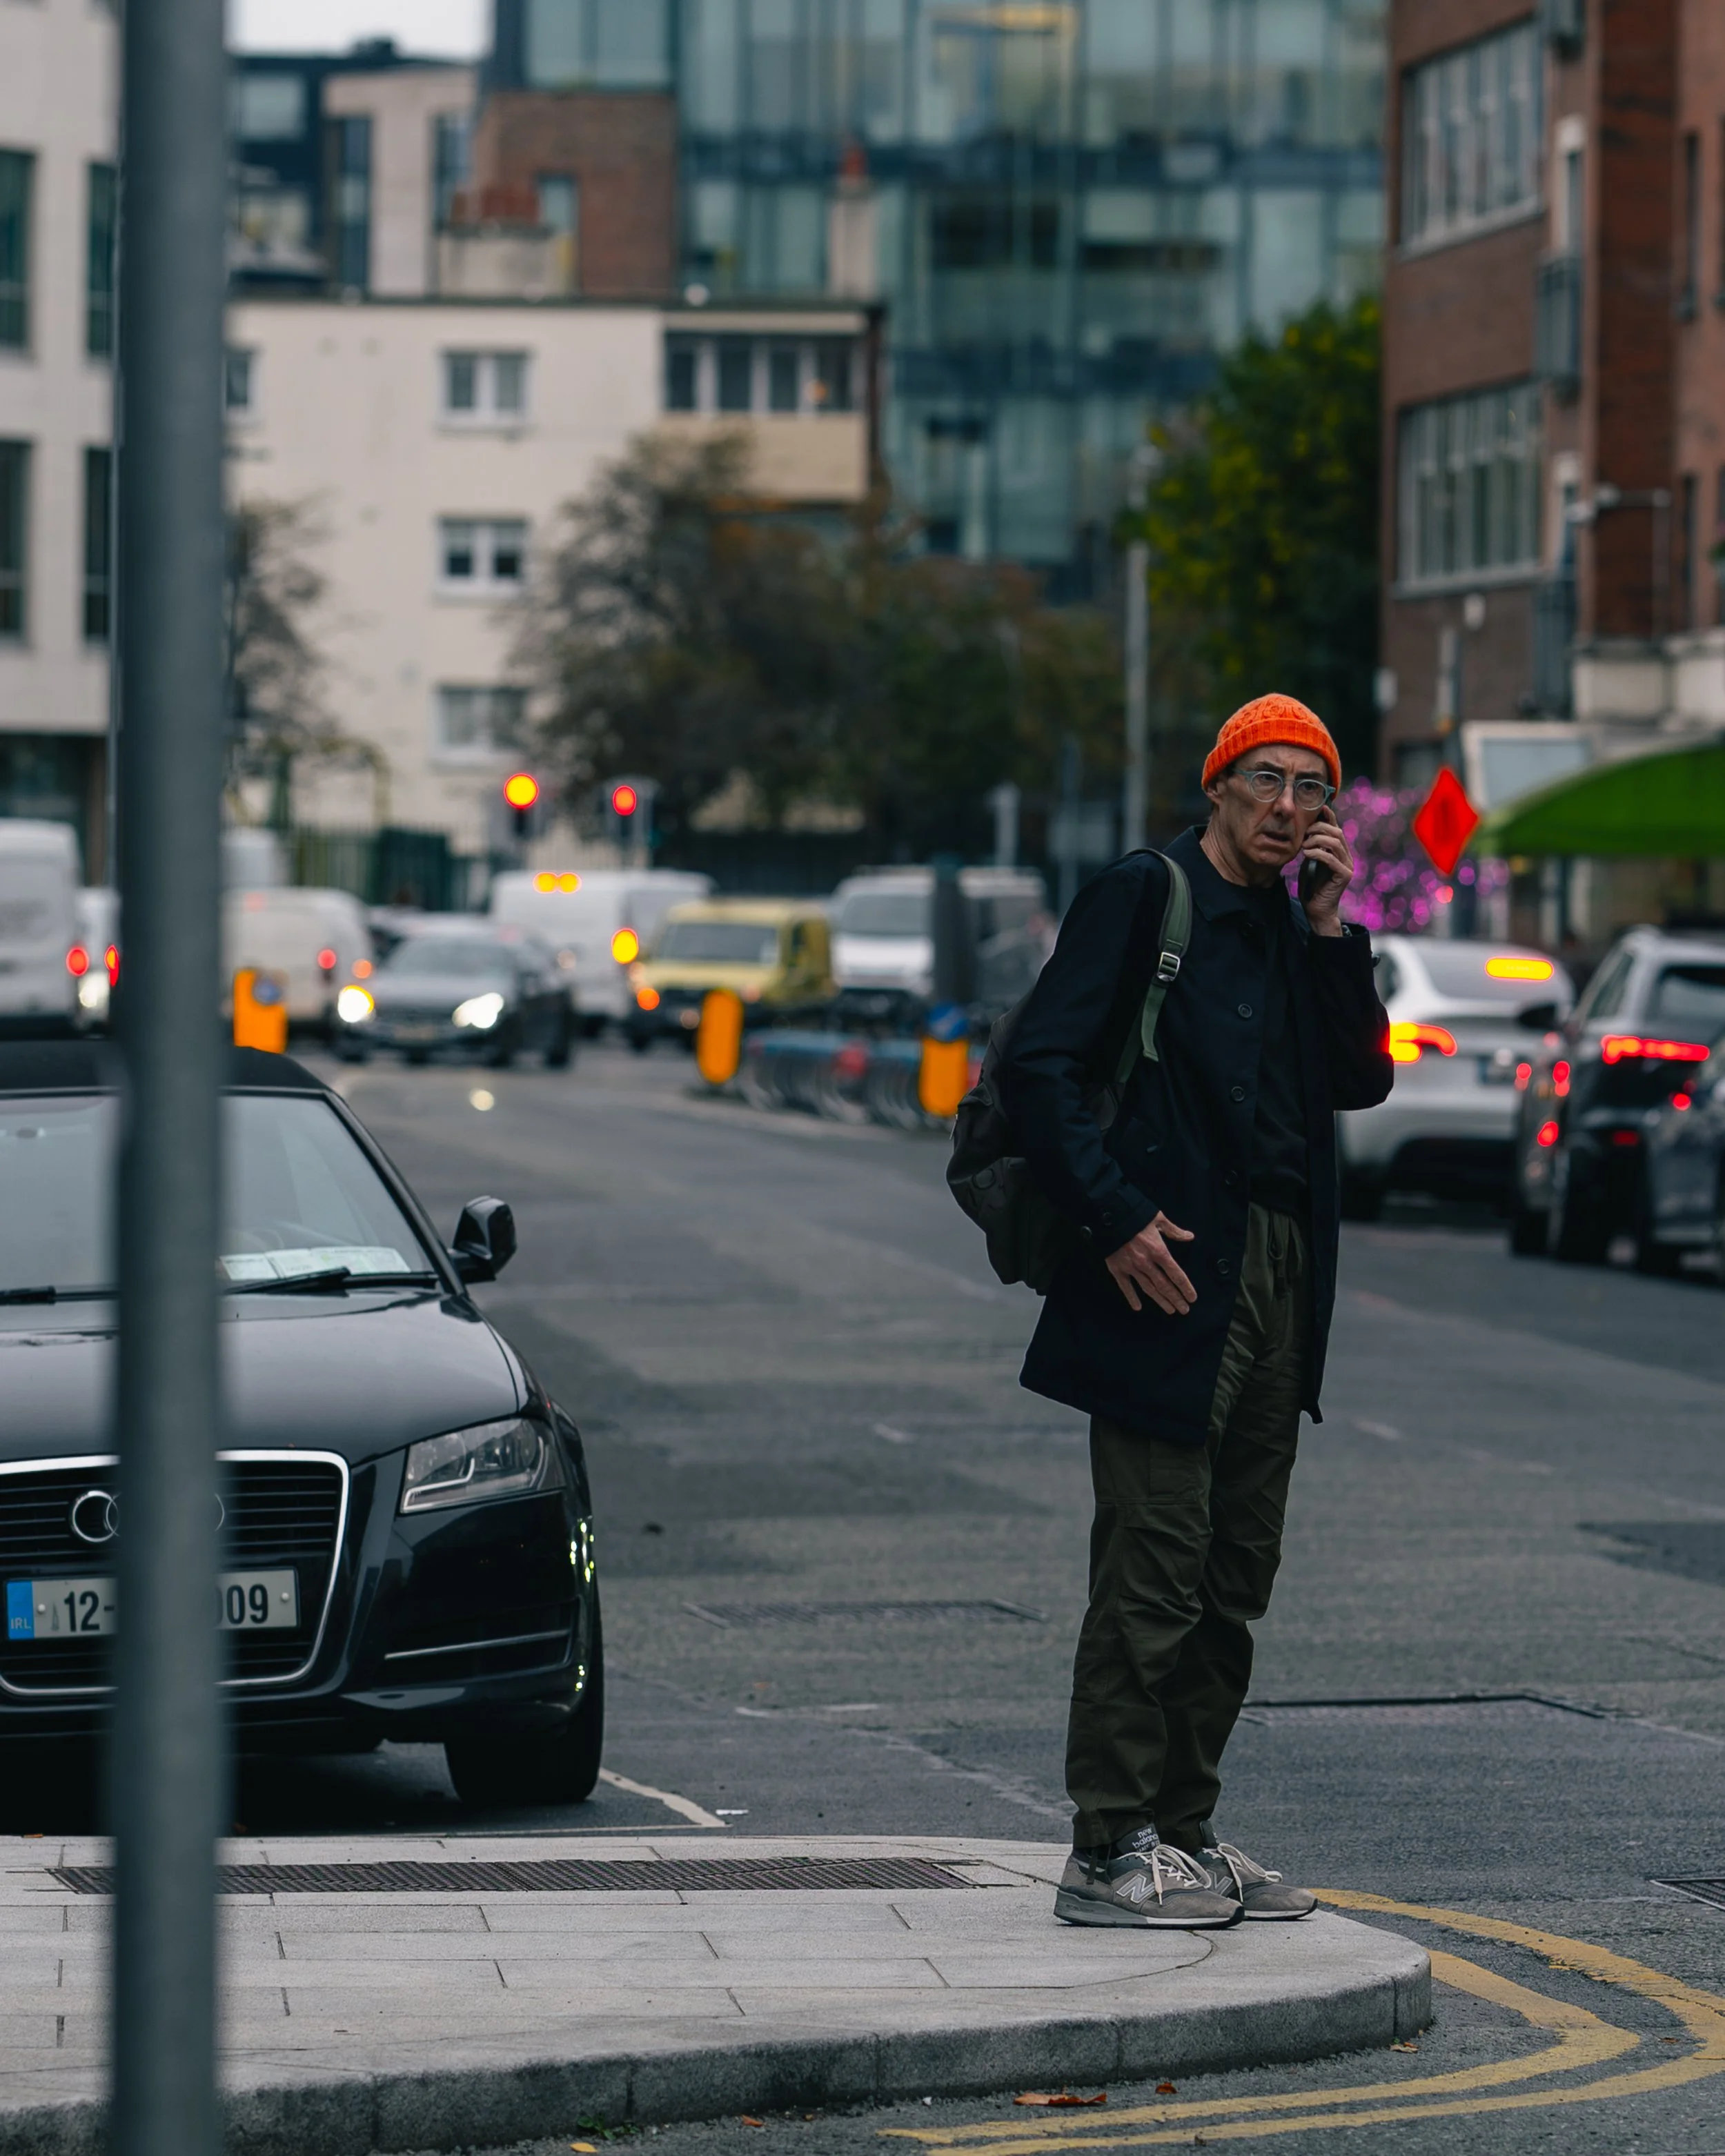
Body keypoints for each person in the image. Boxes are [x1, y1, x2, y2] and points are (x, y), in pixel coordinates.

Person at [996, 694, 1393, 1929]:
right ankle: (1106, 1846)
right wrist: (1111, 1217)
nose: (1289, 809)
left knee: (1234, 1575)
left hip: (1276, 1271)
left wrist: (1333, 933)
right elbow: (1037, 1068)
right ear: (1217, 786)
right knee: (1155, 1573)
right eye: (1267, 781)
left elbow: (1361, 1078)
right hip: (1163, 1267)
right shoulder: (1143, 895)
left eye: (1313, 789)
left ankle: (1186, 1831)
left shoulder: (1294, 926)